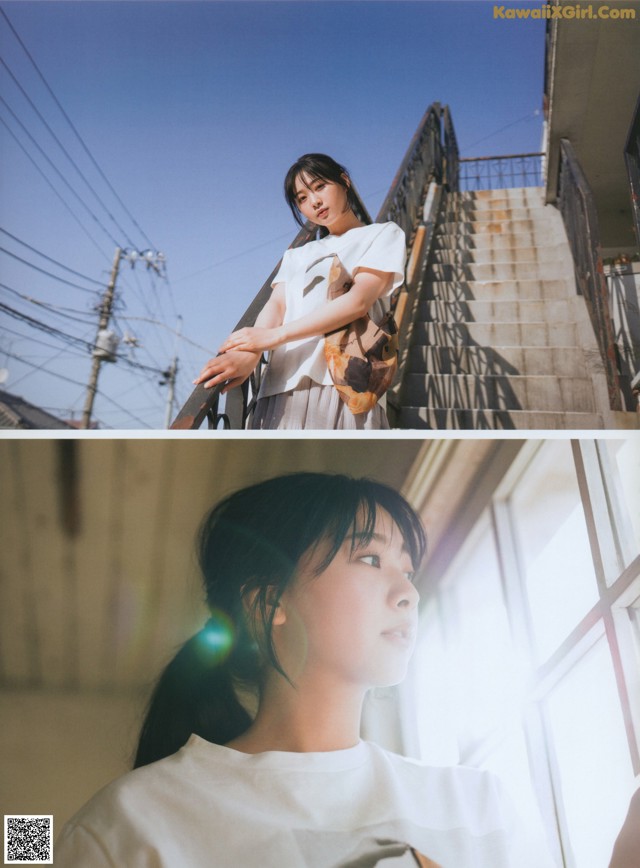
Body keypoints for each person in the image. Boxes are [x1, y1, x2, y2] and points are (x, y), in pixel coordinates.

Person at [55, 473, 555, 867]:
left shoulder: (477, 802)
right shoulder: (127, 825)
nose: (409, 593)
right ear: (270, 601)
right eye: (369, 557)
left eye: (408, 568)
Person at [194, 155, 406, 429]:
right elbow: (277, 305)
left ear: (344, 181)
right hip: (281, 386)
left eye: (319, 187)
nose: (314, 202)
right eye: (302, 198)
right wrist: (250, 352)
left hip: (343, 384)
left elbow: (358, 301)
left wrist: (271, 337)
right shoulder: (298, 254)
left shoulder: (382, 235)